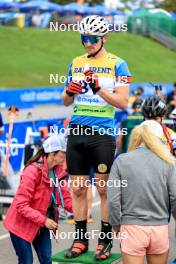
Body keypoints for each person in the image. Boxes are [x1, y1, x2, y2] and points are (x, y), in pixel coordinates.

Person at [61, 15, 132, 260]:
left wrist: (99, 88)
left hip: (102, 134)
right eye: (83, 38)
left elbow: (123, 102)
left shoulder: (119, 64)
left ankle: (105, 241)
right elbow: (64, 100)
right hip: (77, 132)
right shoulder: (76, 62)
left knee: (103, 189)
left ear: (105, 38)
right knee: (78, 189)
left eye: (92, 38)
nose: (87, 43)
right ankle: (80, 240)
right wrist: (69, 91)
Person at [107, 120, 176, 264]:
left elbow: (113, 201)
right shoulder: (168, 162)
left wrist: (116, 225)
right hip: (160, 228)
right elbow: (174, 197)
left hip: (131, 228)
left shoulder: (121, 161)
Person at [3, 134, 72, 264]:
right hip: (20, 225)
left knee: (46, 260)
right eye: (63, 154)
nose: (65, 157)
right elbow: (21, 205)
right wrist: (44, 220)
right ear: (52, 153)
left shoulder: (60, 173)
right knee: (26, 261)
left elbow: (65, 198)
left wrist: (80, 210)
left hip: (42, 224)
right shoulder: (32, 171)